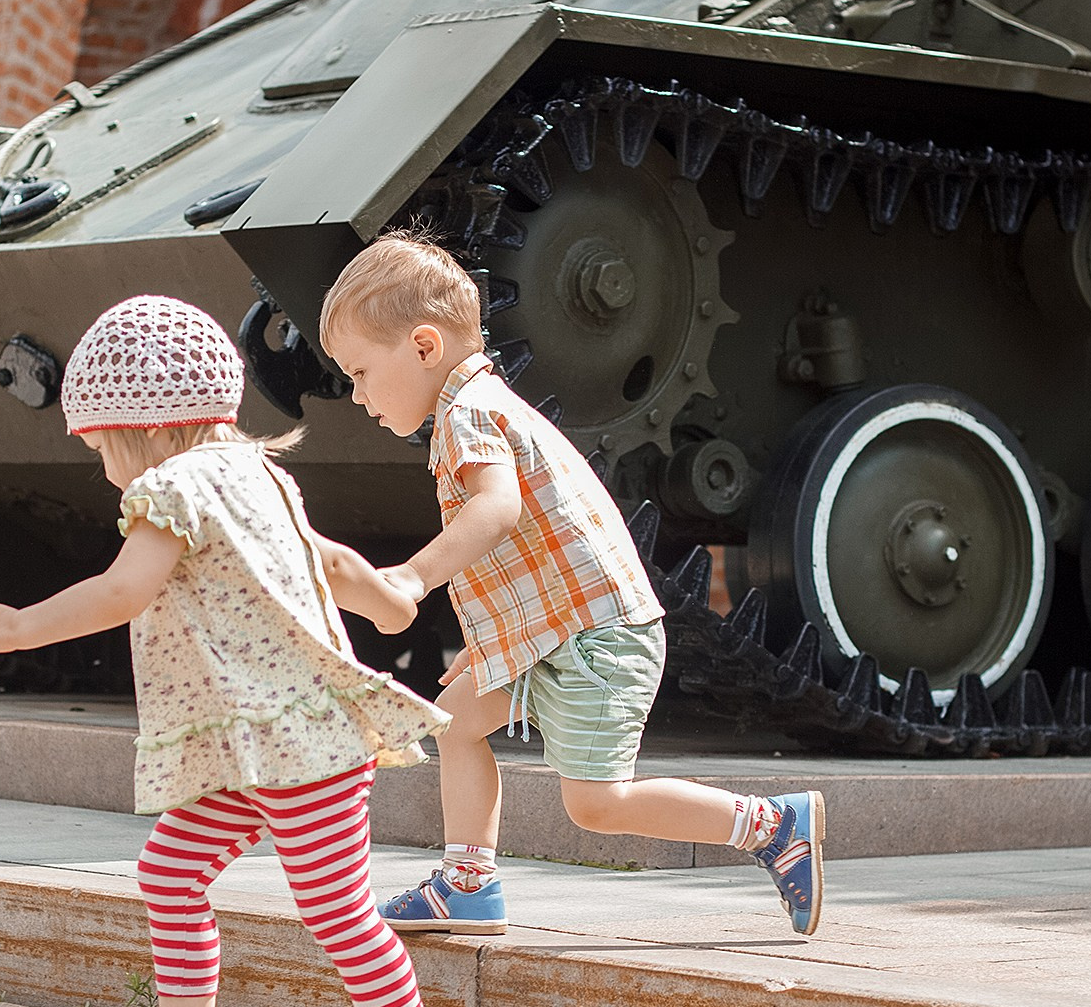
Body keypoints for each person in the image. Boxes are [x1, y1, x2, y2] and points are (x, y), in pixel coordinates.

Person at [0, 295, 463, 1007]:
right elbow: (322, 557)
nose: (105, 467)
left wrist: (18, 627)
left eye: (100, 448)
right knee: (171, 870)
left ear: (140, 430)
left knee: (336, 907)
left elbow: (122, 590)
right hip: (254, 747)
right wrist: (386, 600)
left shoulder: (170, 487)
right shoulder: (258, 471)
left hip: (294, 748)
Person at [318, 232, 826, 939]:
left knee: (597, 803)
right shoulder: (481, 406)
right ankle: (468, 885)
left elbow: (498, 512)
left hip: (592, 635)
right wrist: (486, 640)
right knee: (455, 720)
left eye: (362, 371)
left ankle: (773, 826)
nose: (357, 394)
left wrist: (412, 575)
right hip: (557, 628)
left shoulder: (468, 414)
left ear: (425, 347)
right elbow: (527, 552)